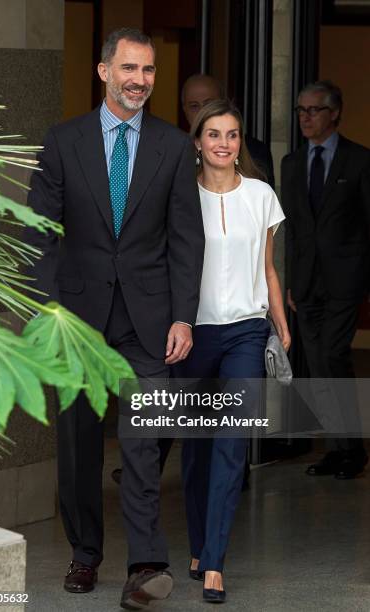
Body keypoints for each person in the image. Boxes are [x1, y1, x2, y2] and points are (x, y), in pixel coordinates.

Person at [25, 28, 204, 609]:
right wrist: (51, 308)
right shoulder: (62, 141)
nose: (139, 81)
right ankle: (85, 553)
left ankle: (147, 564)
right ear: (104, 72)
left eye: (148, 71)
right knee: (77, 441)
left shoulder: (175, 147)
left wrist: (183, 317)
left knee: (143, 439)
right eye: (129, 68)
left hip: (149, 319)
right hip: (77, 319)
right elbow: (40, 233)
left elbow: (185, 239)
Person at [177, 99, 290, 603]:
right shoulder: (179, 195)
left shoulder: (261, 194)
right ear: (198, 142)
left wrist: (281, 326)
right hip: (194, 334)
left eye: (233, 134)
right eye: (214, 134)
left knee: (231, 442)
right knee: (197, 448)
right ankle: (199, 544)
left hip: (247, 330)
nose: (225, 143)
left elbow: (268, 268)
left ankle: (215, 562)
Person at [282, 80, 369, 479]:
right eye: (300, 110)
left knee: (332, 357)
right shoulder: (292, 163)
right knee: (317, 367)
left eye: (313, 110)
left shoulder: (360, 161)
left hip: (344, 280)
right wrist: (288, 280)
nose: (304, 117)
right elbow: (294, 228)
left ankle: (350, 447)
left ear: (334, 113)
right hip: (305, 283)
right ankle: (341, 448)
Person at [182, 73, 276, 189]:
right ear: (184, 109)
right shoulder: (173, 154)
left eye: (209, 104)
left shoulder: (260, 192)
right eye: (194, 106)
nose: (203, 111)